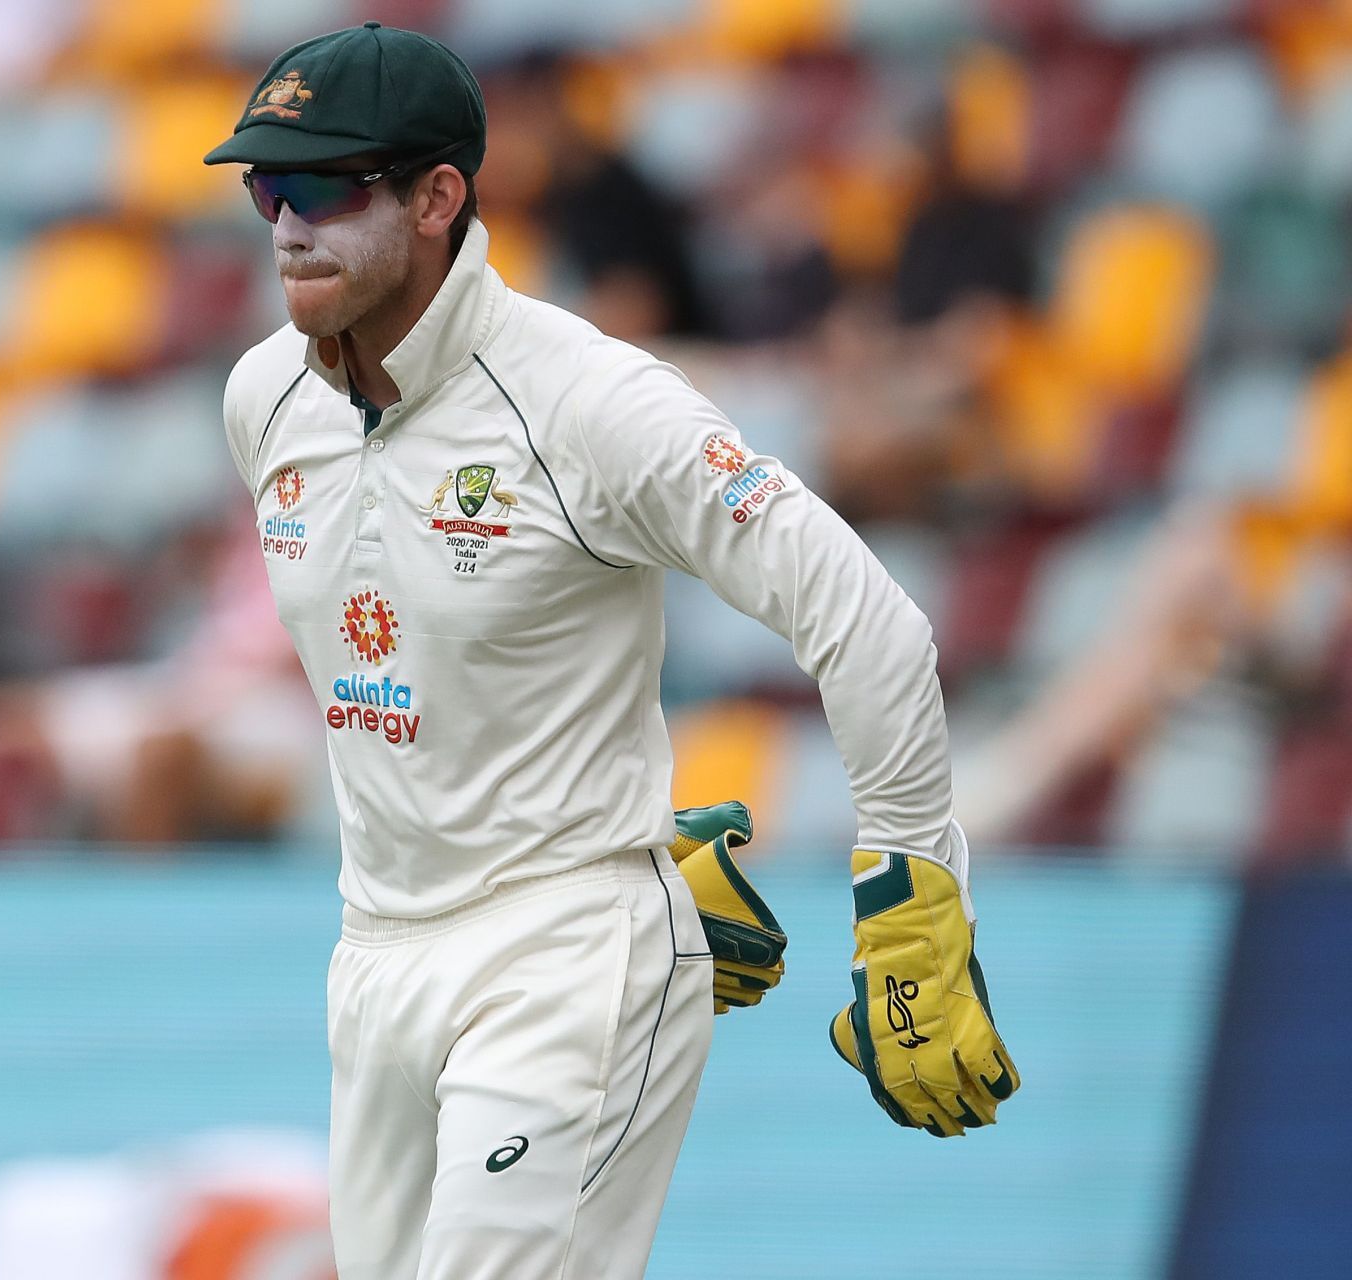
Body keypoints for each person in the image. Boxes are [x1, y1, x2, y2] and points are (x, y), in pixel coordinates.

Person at [204, 23, 1021, 1278]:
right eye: (269, 188)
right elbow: (430, 664)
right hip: (374, 957)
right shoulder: (265, 398)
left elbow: (867, 617)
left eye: (326, 186)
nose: (288, 225)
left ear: (438, 199)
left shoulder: (589, 402)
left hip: (564, 955)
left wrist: (908, 887)